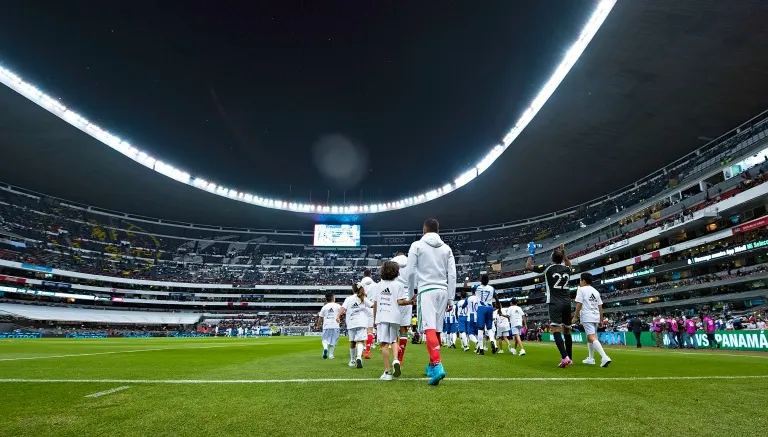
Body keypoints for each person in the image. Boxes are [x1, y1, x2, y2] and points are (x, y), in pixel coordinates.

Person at [407, 218, 456, 386]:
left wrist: (410, 293)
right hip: (443, 290)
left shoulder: (417, 245)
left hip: (426, 289)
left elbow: (410, 272)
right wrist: (451, 297)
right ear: (438, 230)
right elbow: (452, 274)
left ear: (424, 230)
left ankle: (437, 365)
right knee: (437, 330)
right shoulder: (447, 248)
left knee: (429, 329)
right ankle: (431, 364)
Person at [526, 243, 574, 368]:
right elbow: (570, 265)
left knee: (555, 329)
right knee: (567, 331)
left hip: (554, 302)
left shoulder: (548, 268)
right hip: (567, 302)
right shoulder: (567, 269)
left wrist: (531, 254)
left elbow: (528, 266)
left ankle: (564, 357)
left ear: (552, 258)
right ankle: (570, 358)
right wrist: (563, 253)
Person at [371, 261, 409, 380]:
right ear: (396, 272)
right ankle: (396, 360)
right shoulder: (398, 285)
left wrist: (374, 319)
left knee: (384, 344)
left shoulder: (378, 286)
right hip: (394, 316)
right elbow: (400, 302)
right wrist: (410, 302)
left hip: (382, 316)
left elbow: (375, 304)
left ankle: (387, 372)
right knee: (393, 340)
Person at [572, 273, 611, 367]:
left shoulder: (581, 289)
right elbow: (600, 307)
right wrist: (601, 319)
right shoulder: (596, 291)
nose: (580, 282)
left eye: (580, 280)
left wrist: (575, 316)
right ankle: (590, 358)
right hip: (596, 316)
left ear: (583, 281)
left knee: (592, 337)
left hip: (587, 316)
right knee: (589, 337)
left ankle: (604, 357)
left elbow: (579, 304)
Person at [337, 282, 371, 369]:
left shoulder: (348, 299)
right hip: (361, 322)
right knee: (360, 341)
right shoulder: (363, 298)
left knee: (352, 342)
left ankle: (352, 361)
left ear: (353, 289)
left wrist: (338, 316)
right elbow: (372, 305)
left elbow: (342, 308)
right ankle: (359, 357)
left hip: (351, 322)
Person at [472, 274, 503, 355]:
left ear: (481, 280)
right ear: (488, 281)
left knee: (480, 329)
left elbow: (470, 288)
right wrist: (499, 309)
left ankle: (481, 349)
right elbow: (497, 300)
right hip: (489, 308)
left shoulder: (477, 287)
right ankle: (492, 341)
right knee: (489, 328)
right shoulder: (492, 288)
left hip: (481, 308)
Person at [392, 252, 412, 366]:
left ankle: (395, 353)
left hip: (394, 293)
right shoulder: (410, 262)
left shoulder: (392, 261)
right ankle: (400, 357)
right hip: (407, 294)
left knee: (393, 327)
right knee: (403, 328)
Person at [316, 292, 341, 359]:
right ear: (333, 298)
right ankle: (331, 355)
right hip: (335, 325)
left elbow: (320, 317)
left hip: (326, 325)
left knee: (325, 340)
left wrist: (318, 326)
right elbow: (343, 312)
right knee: (333, 341)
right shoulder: (338, 306)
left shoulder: (324, 307)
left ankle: (325, 348)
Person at [360, 269, 375, 360]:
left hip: (362, 308)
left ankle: (360, 350)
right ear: (371, 275)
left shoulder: (360, 284)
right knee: (370, 331)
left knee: (361, 331)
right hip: (371, 307)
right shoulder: (375, 284)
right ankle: (367, 351)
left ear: (363, 275)